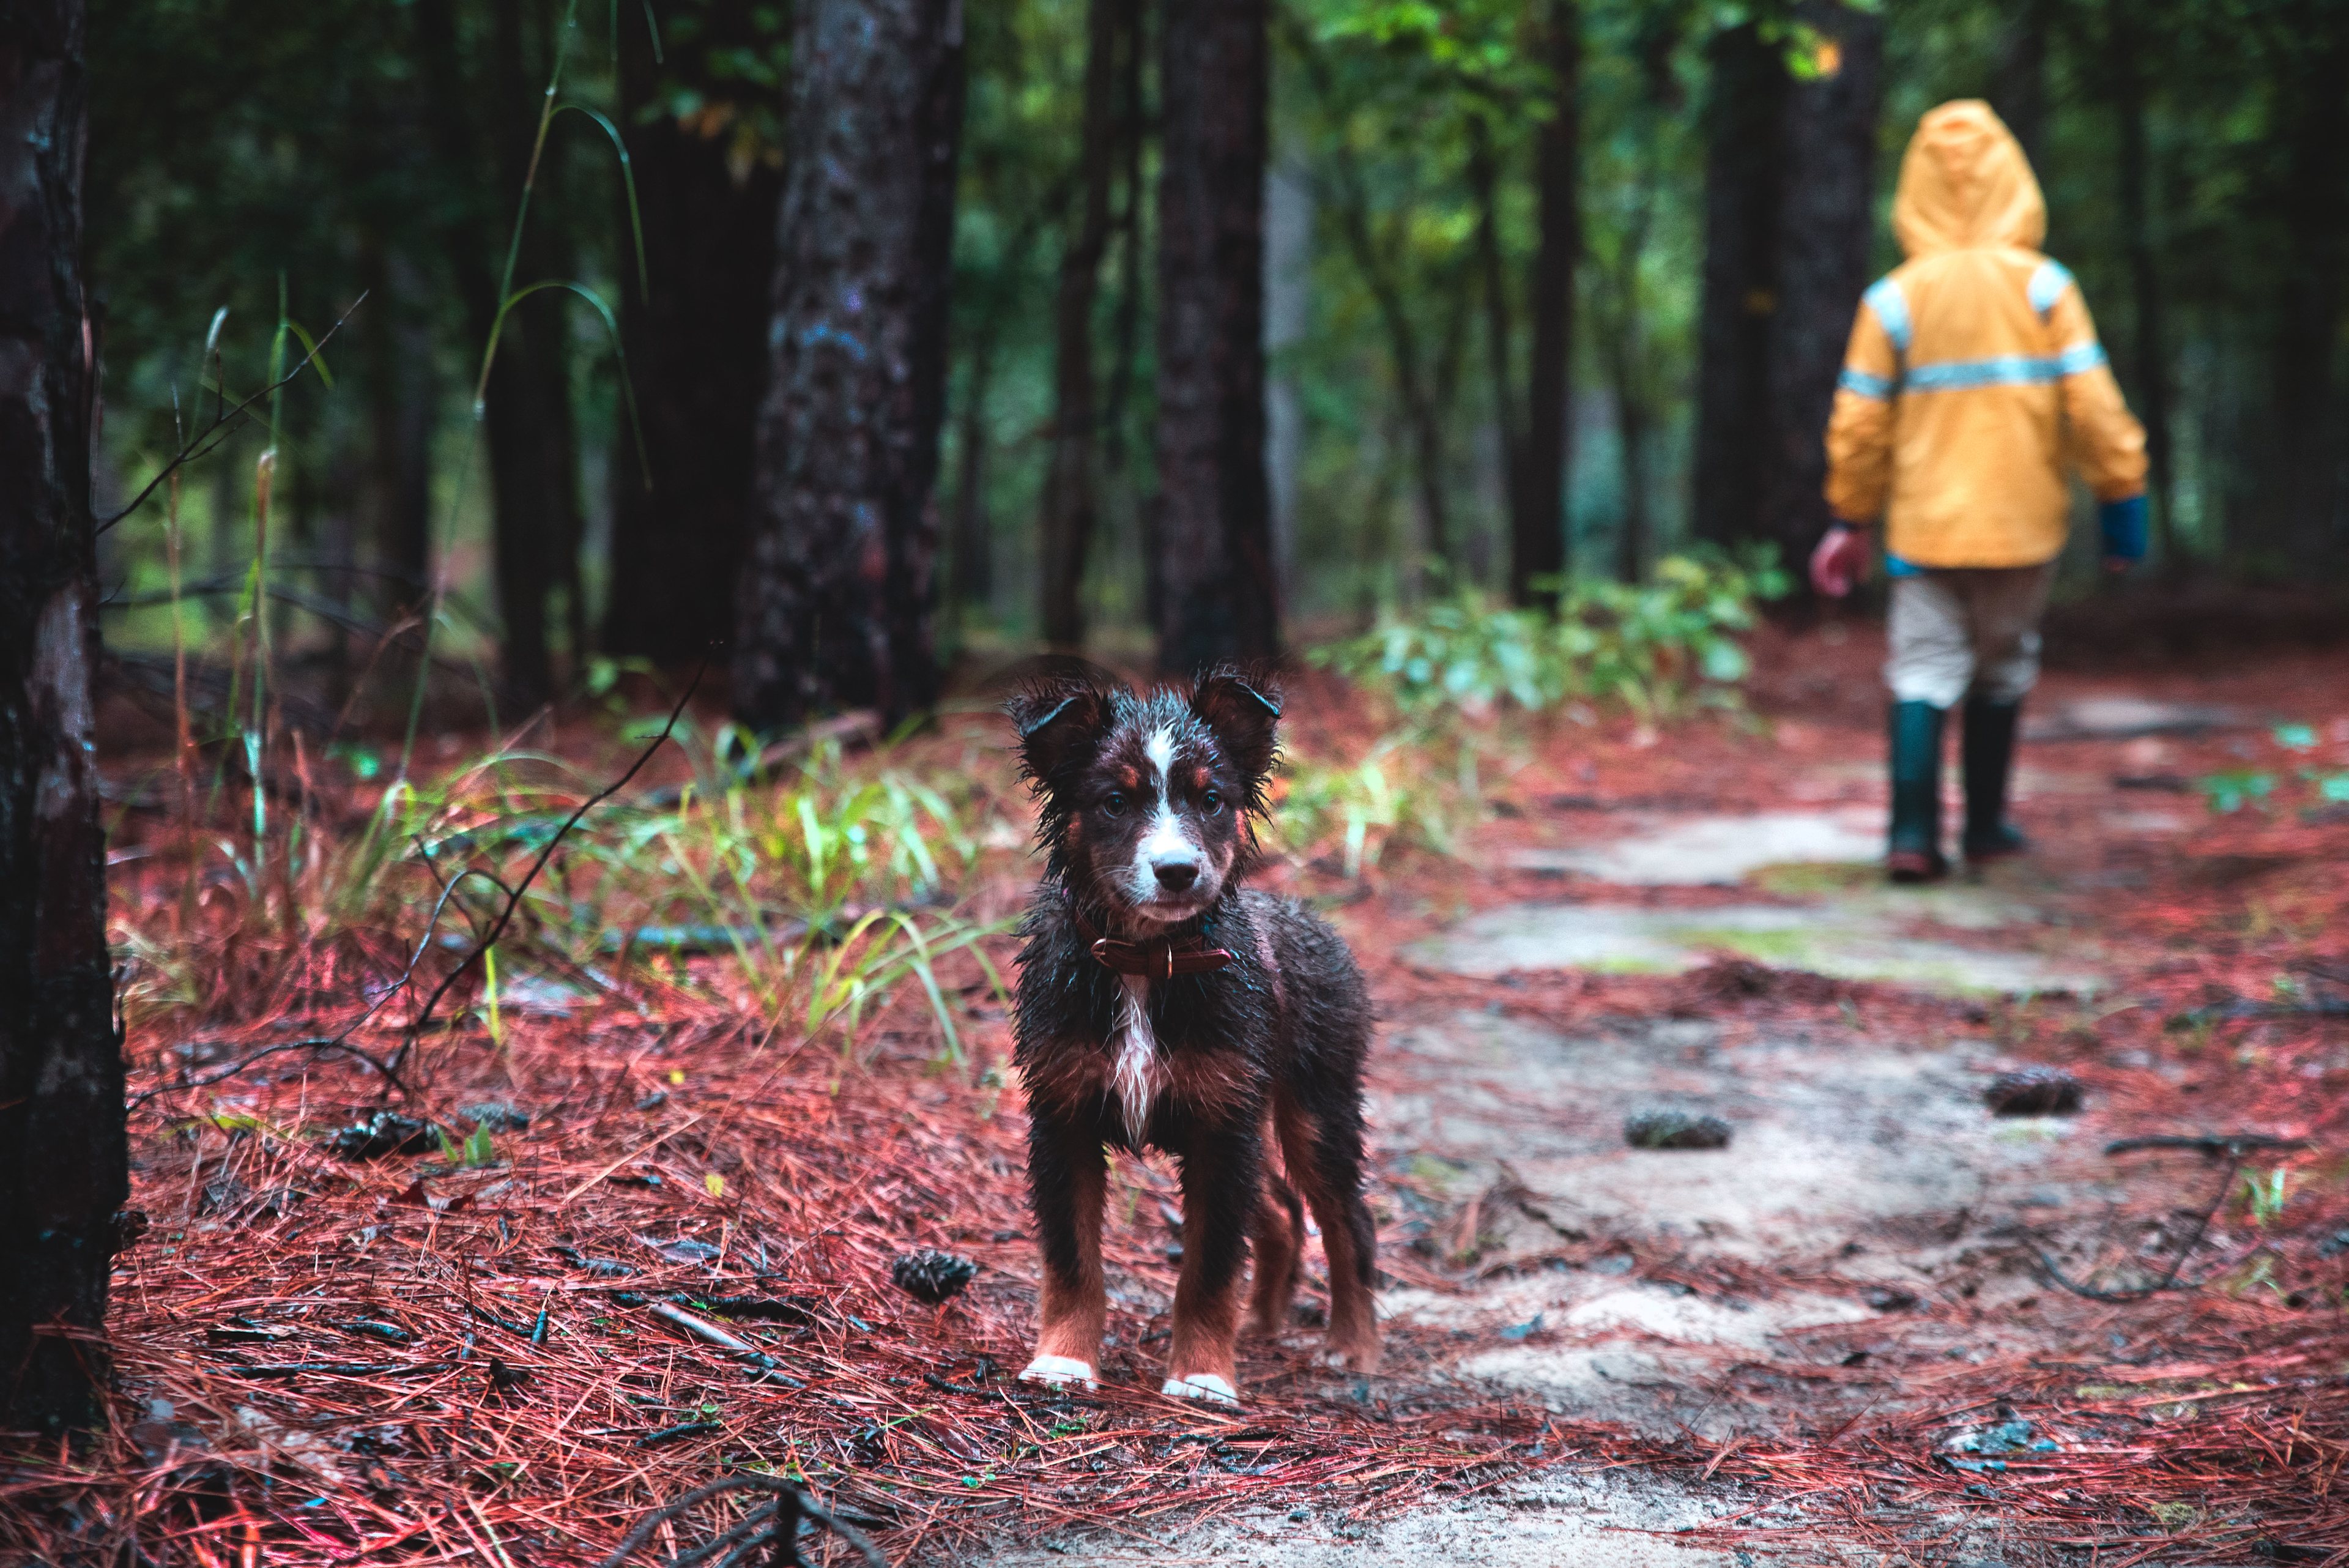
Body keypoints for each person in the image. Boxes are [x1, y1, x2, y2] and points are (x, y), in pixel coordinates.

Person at [1814, 100, 2148, 883]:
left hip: (1926, 531)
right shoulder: (2045, 289)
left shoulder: (1893, 300)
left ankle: (1911, 833)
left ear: (1915, 189)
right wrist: (2122, 505)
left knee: (1922, 669)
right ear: (2012, 178)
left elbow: (1858, 425)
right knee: (2003, 666)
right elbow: (2096, 408)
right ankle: (1987, 826)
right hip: (2022, 526)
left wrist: (1850, 519)